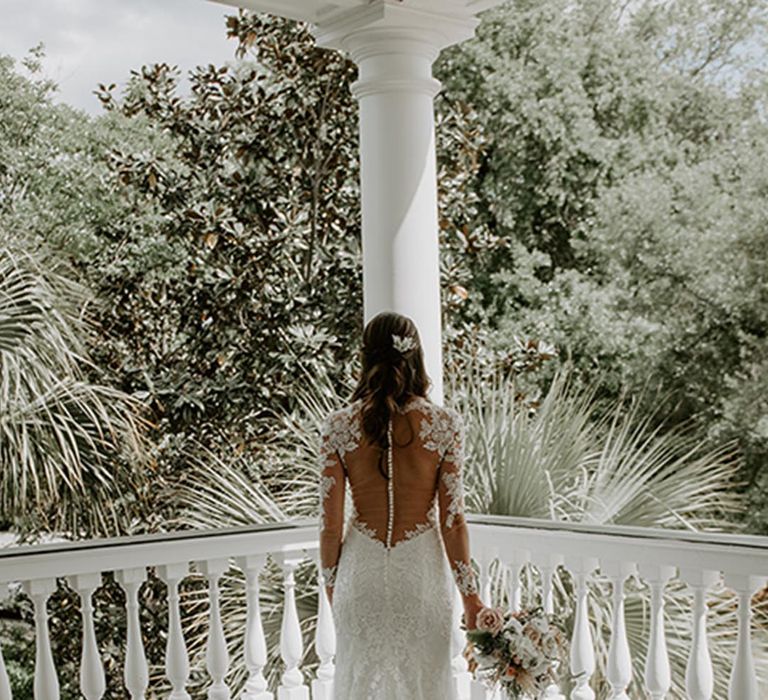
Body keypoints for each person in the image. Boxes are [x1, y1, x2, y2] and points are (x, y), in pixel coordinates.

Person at [318, 310, 484, 699]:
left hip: (361, 579)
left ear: (366, 357)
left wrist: (333, 589)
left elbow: (329, 527)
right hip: (421, 578)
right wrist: (471, 598)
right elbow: (453, 522)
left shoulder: (339, 426)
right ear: (416, 356)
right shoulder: (444, 424)